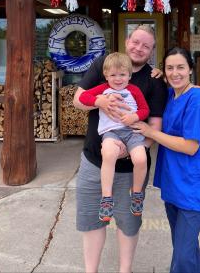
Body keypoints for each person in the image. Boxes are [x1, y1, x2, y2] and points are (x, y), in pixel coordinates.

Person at [73, 24, 166, 273]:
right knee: (92, 221)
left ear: (152, 51)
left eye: (146, 45)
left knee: (128, 223)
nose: (139, 48)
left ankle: (125, 270)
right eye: (136, 42)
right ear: (127, 40)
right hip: (95, 159)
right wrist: (99, 100)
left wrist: (135, 146)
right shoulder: (104, 64)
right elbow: (78, 99)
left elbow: (154, 124)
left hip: (130, 165)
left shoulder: (154, 80)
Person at [134, 47, 200, 273]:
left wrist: (150, 133)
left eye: (181, 67)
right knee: (185, 249)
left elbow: (190, 147)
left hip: (192, 185)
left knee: (181, 256)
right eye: (170, 68)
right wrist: (158, 74)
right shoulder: (171, 95)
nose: (175, 73)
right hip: (173, 183)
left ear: (190, 69)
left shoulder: (196, 100)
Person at [78, 52, 150, 222]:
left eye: (123, 75)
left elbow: (144, 110)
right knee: (108, 154)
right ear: (106, 75)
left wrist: (135, 117)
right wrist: (99, 101)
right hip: (111, 132)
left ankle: (137, 193)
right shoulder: (104, 89)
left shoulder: (134, 90)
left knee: (140, 158)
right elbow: (82, 97)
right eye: (113, 75)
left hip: (131, 131)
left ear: (130, 75)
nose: (118, 79)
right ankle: (106, 198)